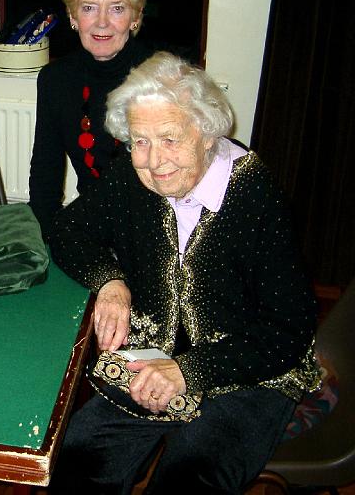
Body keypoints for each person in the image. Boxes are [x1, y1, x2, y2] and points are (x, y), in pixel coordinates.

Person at [47, 51, 321, 494]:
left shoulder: (254, 194)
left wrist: (189, 370)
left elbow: (289, 329)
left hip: (244, 372)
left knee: (187, 481)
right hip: (151, 356)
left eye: (170, 138)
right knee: (77, 461)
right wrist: (109, 281)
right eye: (140, 140)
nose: (154, 160)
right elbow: (67, 230)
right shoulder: (131, 179)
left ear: (207, 133)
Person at [29, 0, 153, 241]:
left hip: (154, 229)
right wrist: (43, 245)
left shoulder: (160, 75)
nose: (101, 23)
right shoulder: (55, 80)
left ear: (135, 17)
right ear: (73, 16)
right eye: (89, 7)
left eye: (117, 8)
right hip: (91, 226)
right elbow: (46, 175)